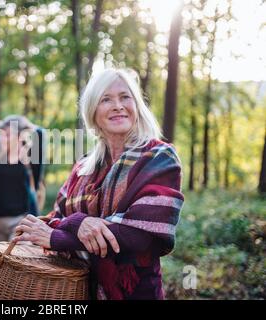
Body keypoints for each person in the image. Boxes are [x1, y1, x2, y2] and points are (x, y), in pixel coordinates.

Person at [13, 68, 185, 300]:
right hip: (80, 292)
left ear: (137, 106)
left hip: (135, 294)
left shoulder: (158, 157)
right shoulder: (83, 168)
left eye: (125, 97)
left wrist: (61, 235)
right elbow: (56, 217)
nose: (117, 105)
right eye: (106, 99)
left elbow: (140, 234)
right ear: (93, 113)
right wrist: (73, 224)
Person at [0, 115, 45, 242]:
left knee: (15, 258)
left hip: (21, 219)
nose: (3, 138)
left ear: (20, 136)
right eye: (2, 134)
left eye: (8, 135)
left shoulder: (30, 157)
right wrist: (4, 124)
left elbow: (40, 133)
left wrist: (24, 125)